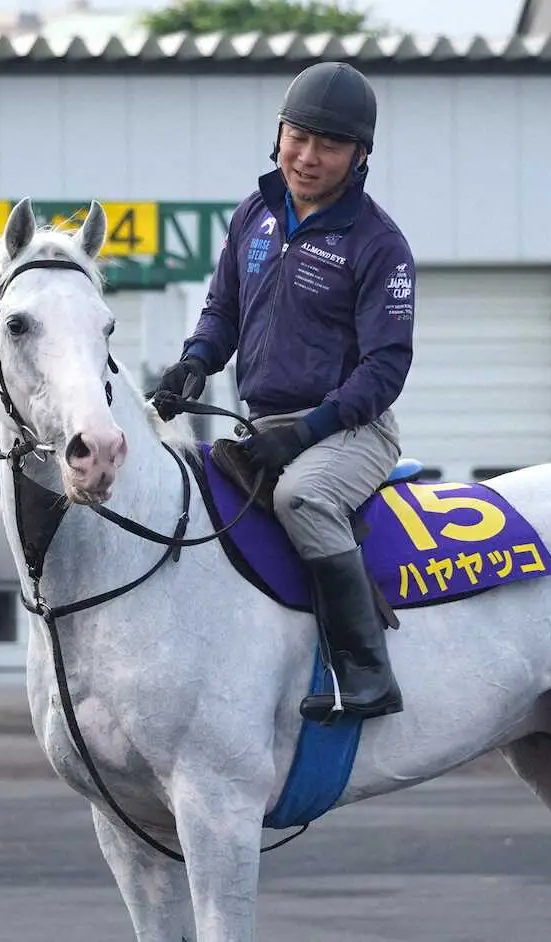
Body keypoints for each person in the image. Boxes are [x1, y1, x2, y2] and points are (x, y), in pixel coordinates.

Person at [152, 61, 416, 725]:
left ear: (360, 156)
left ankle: (365, 668)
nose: (307, 156)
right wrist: (195, 362)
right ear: (279, 133)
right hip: (263, 423)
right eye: (298, 136)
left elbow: (385, 368)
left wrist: (302, 434)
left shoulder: (379, 245)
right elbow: (223, 312)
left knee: (303, 496)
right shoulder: (255, 214)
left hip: (351, 429)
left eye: (329, 144)